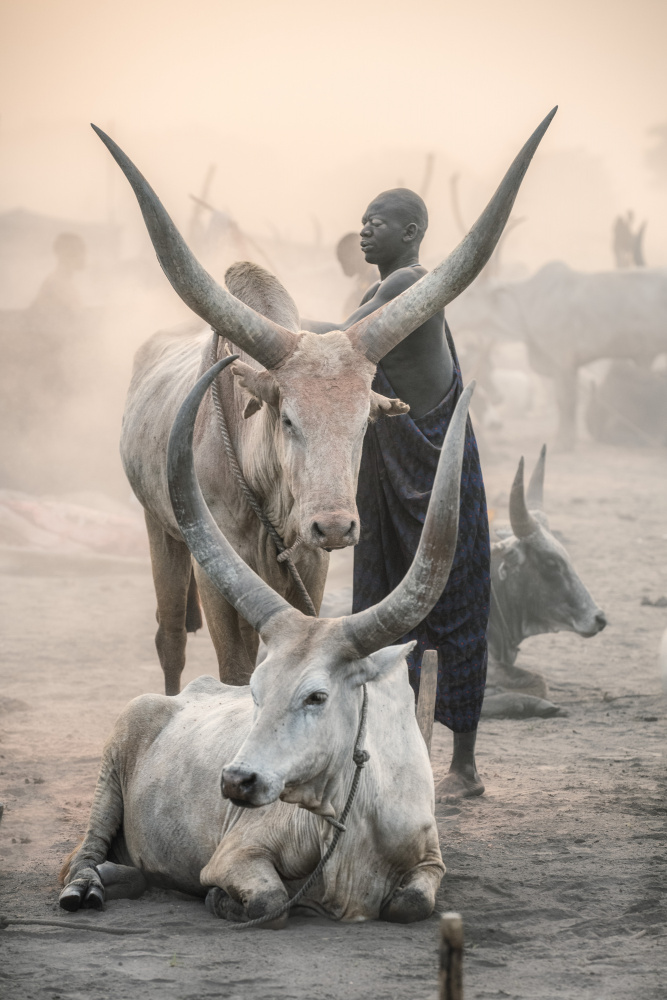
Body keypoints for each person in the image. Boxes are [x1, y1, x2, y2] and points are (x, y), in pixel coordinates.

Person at [303, 188, 490, 799]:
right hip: (390, 464)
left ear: (411, 232)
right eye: (360, 221)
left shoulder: (410, 282)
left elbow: (341, 340)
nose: (363, 231)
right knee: (382, 602)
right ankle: (388, 744)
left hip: (431, 461)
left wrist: (279, 327)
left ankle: (463, 766)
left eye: (375, 223)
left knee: (455, 603)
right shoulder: (385, 285)